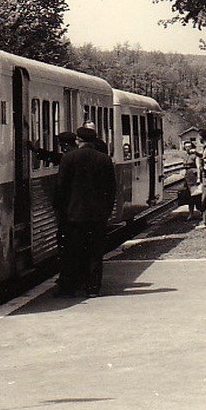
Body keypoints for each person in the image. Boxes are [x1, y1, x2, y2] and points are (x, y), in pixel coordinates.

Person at [54, 125, 117, 297]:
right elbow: (111, 190)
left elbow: (61, 188)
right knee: (95, 253)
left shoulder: (68, 159)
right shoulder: (104, 160)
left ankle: (71, 287)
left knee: (73, 251)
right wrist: (106, 212)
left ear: (78, 140)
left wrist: (61, 212)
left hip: (73, 215)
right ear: (94, 140)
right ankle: (93, 288)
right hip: (97, 216)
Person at [179, 140, 202, 220]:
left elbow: (198, 167)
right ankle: (191, 213)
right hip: (187, 177)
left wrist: (199, 178)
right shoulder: (185, 155)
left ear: (192, 147)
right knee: (188, 196)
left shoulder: (195, 156)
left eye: (189, 147)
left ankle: (201, 212)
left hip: (194, 177)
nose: (187, 148)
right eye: (186, 147)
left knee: (196, 195)